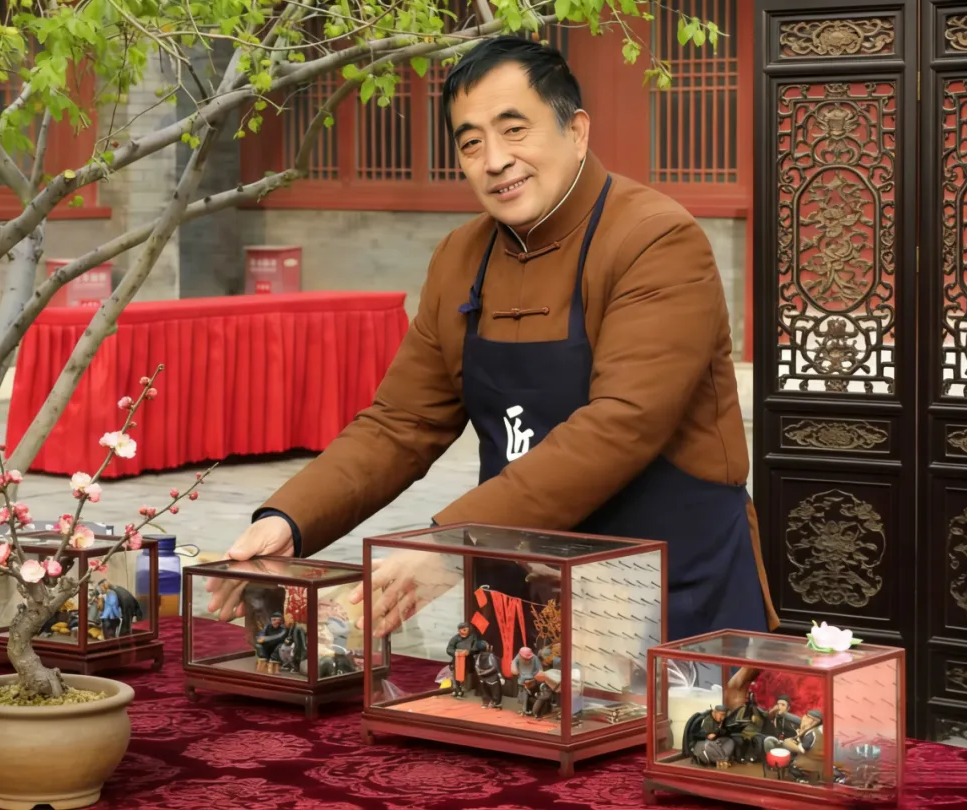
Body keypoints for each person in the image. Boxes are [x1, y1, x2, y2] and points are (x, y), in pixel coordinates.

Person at [207, 35, 777, 641]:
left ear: (577, 131)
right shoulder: (461, 256)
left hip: (667, 590)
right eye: (471, 142)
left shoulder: (655, 239)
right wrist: (290, 519)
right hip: (519, 589)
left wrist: (453, 543)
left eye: (514, 130)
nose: (495, 160)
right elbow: (402, 422)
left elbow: (621, 425)